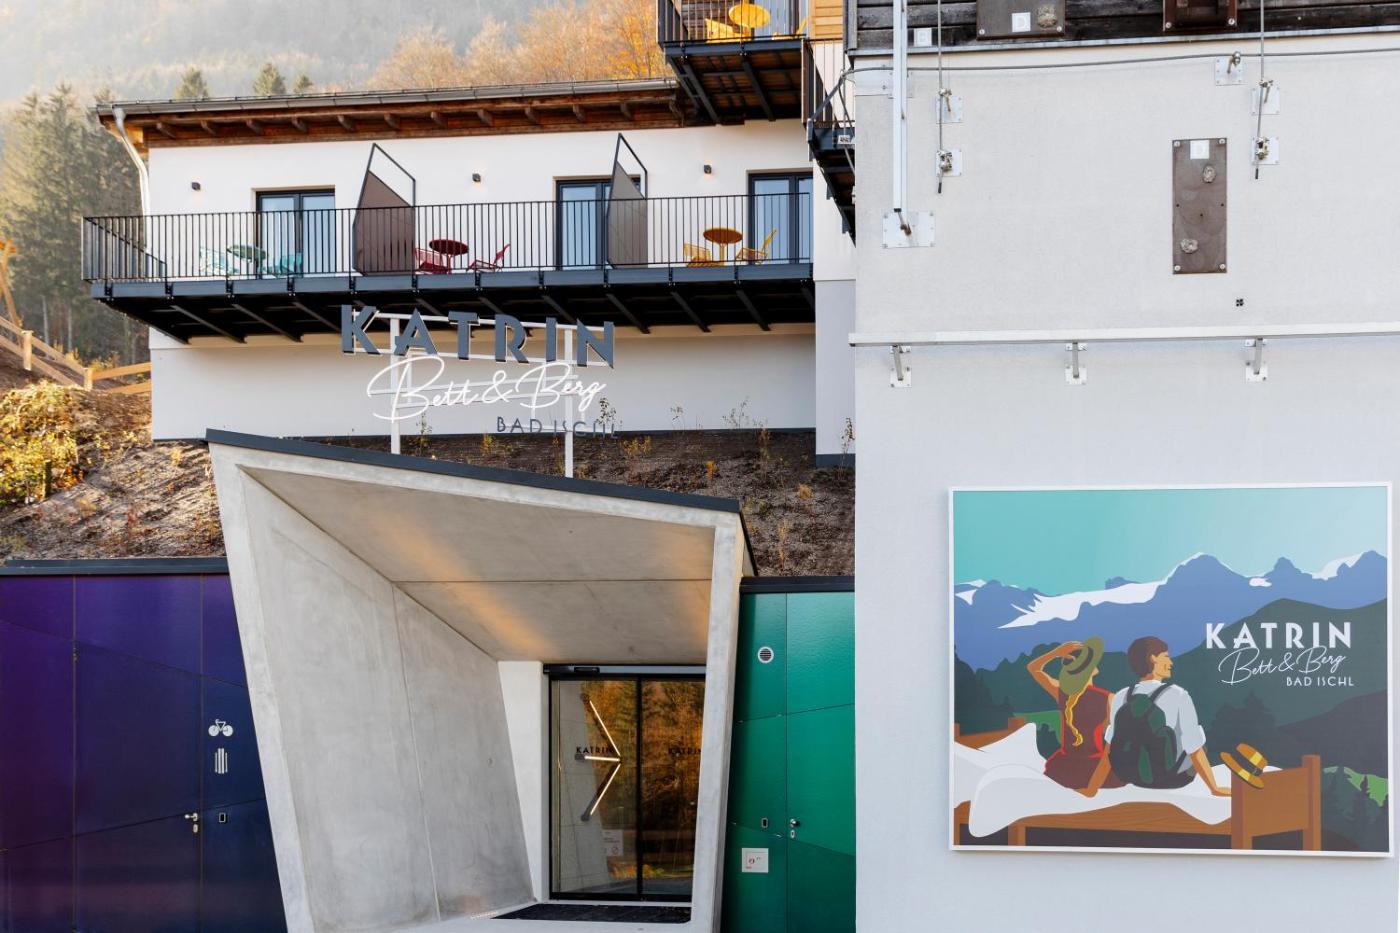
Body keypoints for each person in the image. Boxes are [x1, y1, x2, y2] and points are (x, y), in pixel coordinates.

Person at [1081, 635, 1229, 797]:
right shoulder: (1178, 694)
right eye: (1166, 656)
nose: (1171, 663)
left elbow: (1110, 749)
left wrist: (1092, 788)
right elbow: (1195, 749)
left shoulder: (1121, 696)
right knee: (1200, 744)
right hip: (1172, 779)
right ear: (1153, 658)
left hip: (1132, 777)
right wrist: (1214, 788)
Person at [1026, 637, 1121, 790]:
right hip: (1094, 768)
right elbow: (1116, 737)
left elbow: (1033, 668)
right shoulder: (1108, 698)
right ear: (1090, 668)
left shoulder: (1060, 692)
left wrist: (1056, 653)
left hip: (1065, 767)